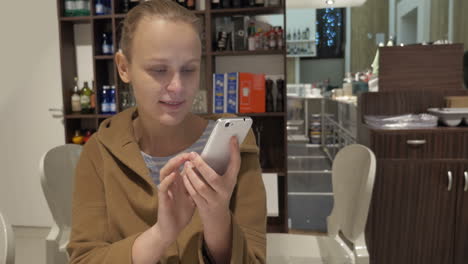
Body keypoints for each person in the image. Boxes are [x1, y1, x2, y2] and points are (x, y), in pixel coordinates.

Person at [66, 0, 267, 263]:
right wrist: (161, 234)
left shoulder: (234, 145)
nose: (177, 87)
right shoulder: (100, 152)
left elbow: (253, 259)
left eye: (189, 69)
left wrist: (217, 217)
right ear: (124, 67)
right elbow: (85, 258)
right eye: (159, 70)